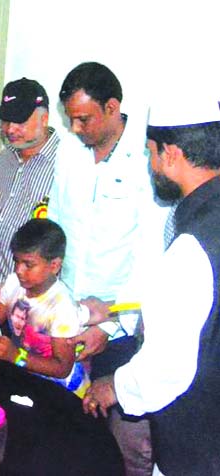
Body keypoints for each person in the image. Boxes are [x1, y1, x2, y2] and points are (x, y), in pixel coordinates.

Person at [83, 93, 220, 475]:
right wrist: (114, 310)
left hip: (198, 446)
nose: (150, 164)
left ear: (171, 154)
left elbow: (168, 368)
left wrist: (113, 386)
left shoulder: (193, 244)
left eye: (151, 153)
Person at [51, 62, 167, 476]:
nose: (76, 127)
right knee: (66, 422)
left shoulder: (147, 159)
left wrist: (110, 325)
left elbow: (150, 256)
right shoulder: (69, 150)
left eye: (84, 118)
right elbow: (57, 229)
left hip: (119, 329)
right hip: (67, 316)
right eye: (71, 118)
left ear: (113, 106)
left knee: (124, 444)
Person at [0, 219, 89, 397]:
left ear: (54, 265)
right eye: (16, 261)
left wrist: (16, 357)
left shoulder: (63, 306)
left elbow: (62, 368)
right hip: (21, 374)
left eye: (28, 264)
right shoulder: (14, 282)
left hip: (58, 390)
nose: (19, 270)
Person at [0, 78, 60, 302]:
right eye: (6, 121)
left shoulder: (64, 164)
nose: (10, 129)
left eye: (20, 121)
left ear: (44, 118)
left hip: (26, 303)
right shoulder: (4, 159)